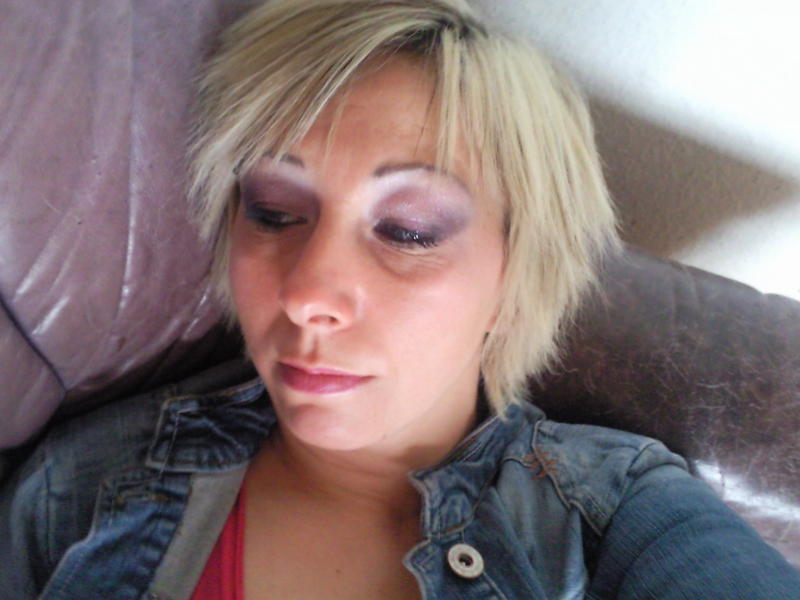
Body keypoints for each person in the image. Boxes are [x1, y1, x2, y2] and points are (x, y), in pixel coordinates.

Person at [1, 0, 798, 598]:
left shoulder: (617, 517)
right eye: (273, 212)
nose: (307, 294)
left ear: (513, 277)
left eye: (410, 230)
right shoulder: (81, 487)